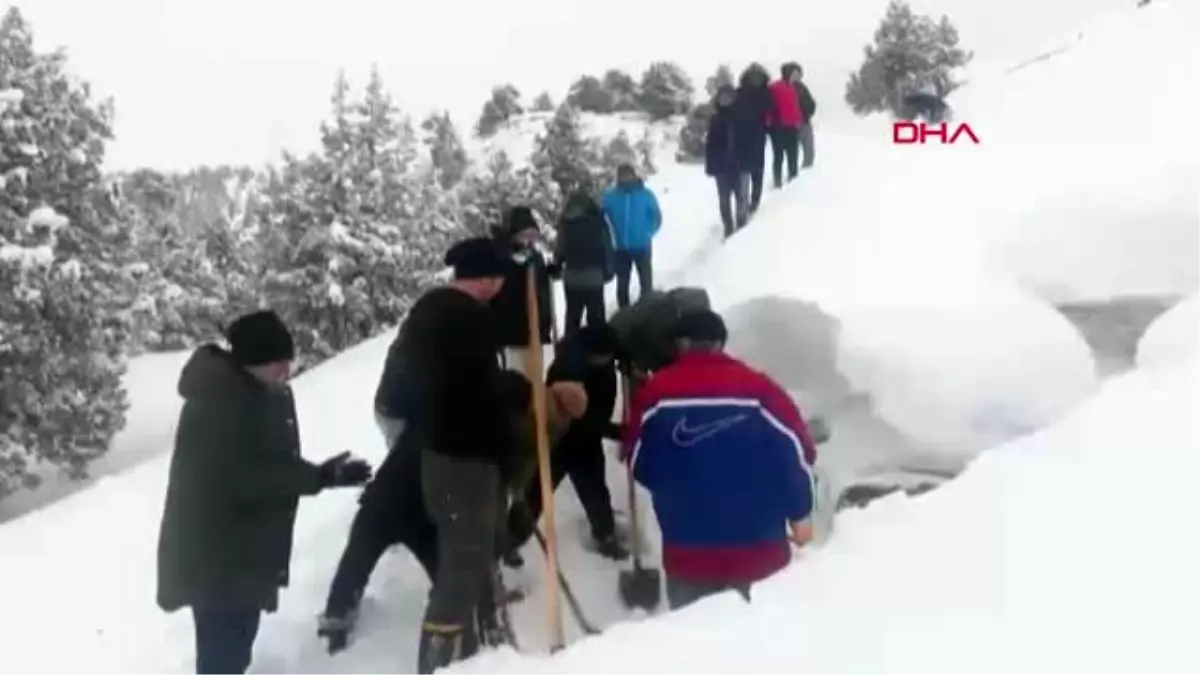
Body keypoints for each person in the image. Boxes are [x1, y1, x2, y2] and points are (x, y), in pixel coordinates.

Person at [156, 310, 373, 675]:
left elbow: (267, 461)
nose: (286, 371)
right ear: (252, 361)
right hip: (218, 556)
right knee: (223, 655)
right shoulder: (219, 403)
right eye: (277, 363)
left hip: (240, 552)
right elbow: (243, 477)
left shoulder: (255, 391)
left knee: (233, 651)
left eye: (288, 361)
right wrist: (319, 477)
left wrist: (320, 475)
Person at [317, 369, 586, 654]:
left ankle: (340, 616)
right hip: (404, 499)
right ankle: (482, 621)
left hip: (405, 501)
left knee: (425, 570)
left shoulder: (468, 413)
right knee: (449, 574)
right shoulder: (490, 435)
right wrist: (496, 535)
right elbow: (488, 495)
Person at [620, 309, 818, 611]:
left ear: (679, 345)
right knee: (764, 644)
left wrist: (677, 491)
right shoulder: (758, 390)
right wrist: (799, 513)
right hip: (760, 551)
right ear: (721, 343)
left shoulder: (655, 394)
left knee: (697, 646)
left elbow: (636, 458)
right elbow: (797, 451)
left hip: (688, 551)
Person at [402, 236, 538, 674]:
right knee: (462, 567)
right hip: (465, 460)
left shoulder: (430, 312)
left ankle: (489, 646)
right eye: (499, 278)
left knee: (476, 554)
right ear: (487, 279)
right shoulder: (464, 320)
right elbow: (473, 389)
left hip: (440, 455)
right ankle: (434, 664)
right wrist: (513, 391)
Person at [505, 323, 629, 564]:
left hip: (587, 441)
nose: (608, 360)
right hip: (560, 440)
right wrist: (616, 432)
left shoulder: (600, 353)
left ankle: (606, 537)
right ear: (591, 353)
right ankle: (508, 541)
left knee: (596, 493)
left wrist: (625, 359)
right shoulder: (567, 370)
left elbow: (617, 349)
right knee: (536, 494)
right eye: (605, 357)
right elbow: (581, 420)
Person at [490, 205, 559, 372]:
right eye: (525, 236)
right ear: (513, 234)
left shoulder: (533, 255)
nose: (529, 241)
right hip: (513, 336)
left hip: (537, 332)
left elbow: (542, 289)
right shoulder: (499, 256)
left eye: (532, 236)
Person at [601, 163, 662, 309]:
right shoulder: (611, 196)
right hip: (620, 248)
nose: (625, 178)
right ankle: (624, 315)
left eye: (628, 175)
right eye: (622, 176)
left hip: (642, 246)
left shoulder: (645, 195)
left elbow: (657, 217)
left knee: (646, 285)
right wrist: (608, 235)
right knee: (622, 285)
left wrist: (649, 232)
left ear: (634, 175)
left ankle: (647, 313)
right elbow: (600, 215)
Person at [555, 189, 614, 333]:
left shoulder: (565, 224)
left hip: (572, 277)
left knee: (572, 316)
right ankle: (598, 350)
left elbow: (559, 249)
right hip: (594, 276)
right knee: (596, 317)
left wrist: (557, 266)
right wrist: (609, 270)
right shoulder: (598, 221)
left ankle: (570, 349)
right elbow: (607, 246)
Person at [705, 84, 749, 238]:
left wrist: (749, 160)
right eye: (721, 98)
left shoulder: (742, 117)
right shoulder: (715, 119)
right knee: (724, 200)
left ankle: (742, 224)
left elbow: (749, 141)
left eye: (727, 98)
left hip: (741, 165)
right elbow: (710, 144)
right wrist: (711, 166)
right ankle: (728, 227)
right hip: (721, 167)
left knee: (742, 197)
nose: (724, 100)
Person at [733, 63, 773, 217]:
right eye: (752, 77)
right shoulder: (738, 93)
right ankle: (742, 208)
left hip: (758, 137)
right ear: (746, 78)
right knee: (743, 173)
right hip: (741, 138)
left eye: (758, 77)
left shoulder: (766, 94)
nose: (755, 80)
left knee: (757, 171)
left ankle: (754, 202)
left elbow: (769, 115)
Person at [768, 63, 803, 188]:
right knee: (778, 155)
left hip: (791, 126)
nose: (797, 76)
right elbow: (768, 105)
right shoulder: (775, 87)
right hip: (777, 126)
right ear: (788, 73)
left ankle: (793, 178)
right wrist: (769, 121)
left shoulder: (792, 87)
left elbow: (795, 107)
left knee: (792, 153)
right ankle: (777, 181)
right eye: (795, 73)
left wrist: (798, 120)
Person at [791, 63, 818, 168]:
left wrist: (809, 111)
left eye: (798, 74)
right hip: (791, 124)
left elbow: (811, 103)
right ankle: (792, 172)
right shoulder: (785, 87)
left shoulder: (803, 88)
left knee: (809, 149)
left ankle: (807, 170)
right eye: (794, 74)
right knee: (792, 150)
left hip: (805, 122)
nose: (797, 76)